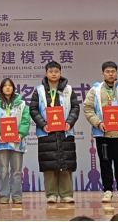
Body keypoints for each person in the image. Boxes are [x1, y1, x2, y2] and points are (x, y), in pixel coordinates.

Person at [83, 61, 118, 204]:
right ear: (102, 73)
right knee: (105, 164)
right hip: (103, 134)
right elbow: (88, 108)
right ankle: (107, 190)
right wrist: (98, 123)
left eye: (113, 71)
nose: (110, 74)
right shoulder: (95, 90)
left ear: (117, 73)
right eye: (107, 71)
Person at [30, 61, 80, 204]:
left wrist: (69, 122)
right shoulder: (39, 90)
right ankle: (51, 194)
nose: (53, 74)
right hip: (46, 132)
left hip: (65, 131)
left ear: (60, 73)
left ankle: (66, 194)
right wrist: (43, 124)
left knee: (66, 163)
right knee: (49, 164)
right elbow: (33, 109)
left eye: (56, 71)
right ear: (46, 73)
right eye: (51, 71)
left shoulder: (68, 89)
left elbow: (75, 108)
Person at [0, 78, 31, 205]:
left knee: (17, 170)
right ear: (1, 88)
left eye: (10, 85)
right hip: (0, 142)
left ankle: (17, 196)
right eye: (5, 85)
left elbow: (25, 121)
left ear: (13, 88)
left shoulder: (22, 104)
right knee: (3, 170)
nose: (7, 87)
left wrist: (21, 134)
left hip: (17, 141)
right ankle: (3, 196)